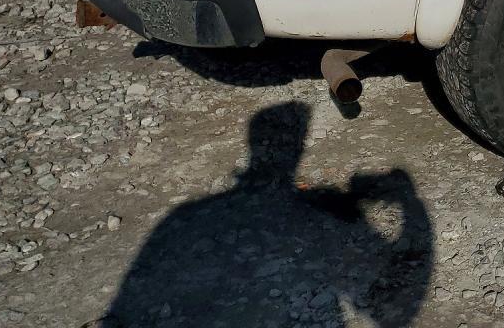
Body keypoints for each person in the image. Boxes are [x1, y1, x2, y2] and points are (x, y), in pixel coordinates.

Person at [98, 102, 432, 327]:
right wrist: (410, 203)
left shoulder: (180, 218)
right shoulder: (310, 217)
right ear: (300, 149)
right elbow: (398, 313)